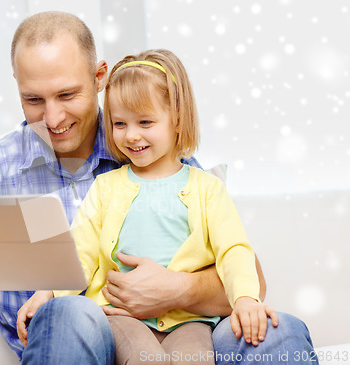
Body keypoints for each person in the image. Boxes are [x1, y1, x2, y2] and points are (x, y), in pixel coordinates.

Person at [0, 11, 318, 365]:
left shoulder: (147, 149)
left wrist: (177, 289)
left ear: (100, 78)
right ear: (16, 89)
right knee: (69, 313)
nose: (52, 119)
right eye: (33, 100)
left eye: (67, 95)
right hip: (79, 342)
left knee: (281, 332)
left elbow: (248, 276)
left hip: (186, 333)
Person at [16, 49, 279, 365]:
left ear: (178, 119)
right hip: (121, 316)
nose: (131, 135)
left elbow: (233, 250)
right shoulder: (106, 188)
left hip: (189, 320)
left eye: (145, 121)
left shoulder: (207, 188)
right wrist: (48, 292)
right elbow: (78, 252)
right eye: (120, 123)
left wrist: (245, 299)